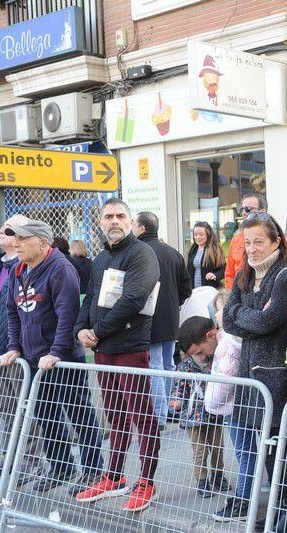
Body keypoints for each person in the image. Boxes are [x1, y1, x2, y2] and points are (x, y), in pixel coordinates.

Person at [222, 211, 287, 531]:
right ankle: (277, 512)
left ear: (276, 240)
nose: (252, 249)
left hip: (278, 377)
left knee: (284, 454)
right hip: (252, 377)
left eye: (259, 241)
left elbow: (265, 321)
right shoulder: (246, 274)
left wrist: (243, 314)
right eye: (247, 242)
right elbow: (228, 320)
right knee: (267, 452)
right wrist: (247, 314)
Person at [1, 219, 104, 494]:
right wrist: (14, 346)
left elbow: (67, 315)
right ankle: (61, 466)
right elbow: (13, 312)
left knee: (79, 413)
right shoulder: (18, 270)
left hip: (64, 357)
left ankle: (93, 469)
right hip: (34, 357)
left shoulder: (61, 269)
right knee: (45, 414)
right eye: (16, 239)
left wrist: (57, 352)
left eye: (23, 239)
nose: (17, 244)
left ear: (43, 243)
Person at [74, 198, 161, 512]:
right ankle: (113, 477)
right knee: (115, 416)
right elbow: (90, 298)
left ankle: (146, 481)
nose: (114, 220)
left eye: (120, 215)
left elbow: (135, 298)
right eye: (108, 216)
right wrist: (81, 328)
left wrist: (97, 332)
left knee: (143, 419)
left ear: (131, 221)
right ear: (100, 222)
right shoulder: (99, 258)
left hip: (129, 349)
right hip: (103, 351)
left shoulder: (142, 253)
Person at [0, 214, 44, 482]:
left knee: (24, 408)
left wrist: (14, 345)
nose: (1, 232)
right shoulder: (0, 266)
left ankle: (32, 462)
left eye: (8, 230)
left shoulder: (24, 267)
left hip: (14, 351)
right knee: (5, 409)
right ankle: (8, 458)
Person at [133, 212, 192, 429]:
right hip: (170, 318)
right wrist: (172, 304)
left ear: (141, 229)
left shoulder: (138, 252)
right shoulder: (173, 253)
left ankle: (159, 416)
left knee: (156, 365)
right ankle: (170, 409)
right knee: (168, 364)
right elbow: (186, 288)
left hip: (149, 319)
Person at [169, 328, 230, 498]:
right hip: (192, 416)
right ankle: (202, 480)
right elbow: (178, 388)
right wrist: (176, 400)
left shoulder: (214, 362)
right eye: (197, 354)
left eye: (202, 353)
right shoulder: (184, 368)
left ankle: (218, 475)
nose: (202, 357)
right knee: (200, 449)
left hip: (213, 412)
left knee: (217, 446)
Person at [224, 193, 267, 290]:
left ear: (262, 212)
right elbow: (229, 273)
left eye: (248, 209)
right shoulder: (236, 238)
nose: (243, 213)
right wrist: (231, 297)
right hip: (239, 297)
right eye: (241, 209)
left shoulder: (274, 237)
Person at [188, 221, 225, 289]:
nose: (198, 237)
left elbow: (223, 270)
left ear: (208, 234)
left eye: (201, 234)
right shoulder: (192, 250)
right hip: (195, 292)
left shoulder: (215, 249)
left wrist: (215, 275)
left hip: (210, 292)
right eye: (195, 235)